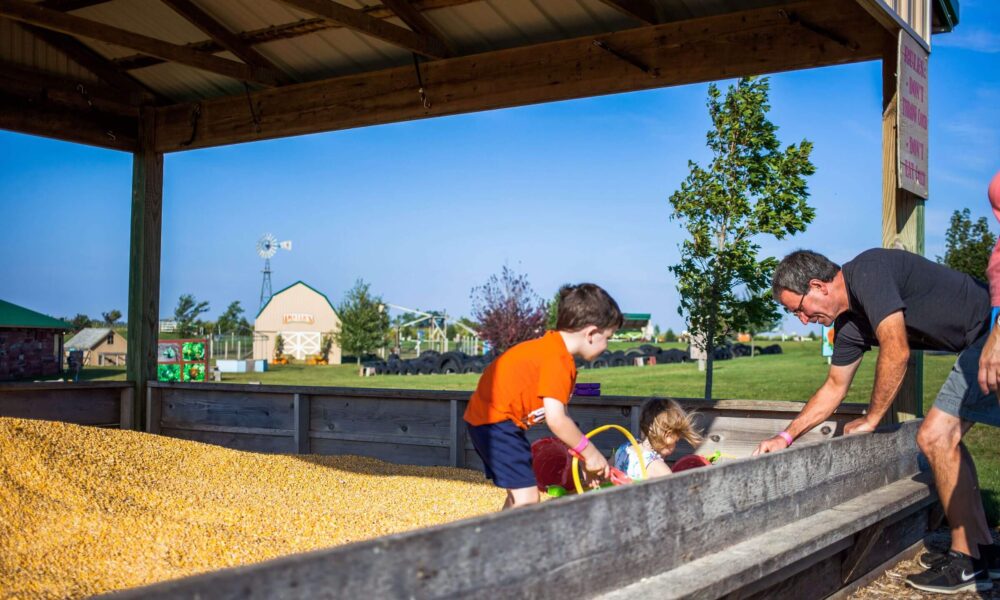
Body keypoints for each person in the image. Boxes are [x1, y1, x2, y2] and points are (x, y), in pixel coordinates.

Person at [753, 248, 1000, 594]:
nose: (803, 321)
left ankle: (967, 560)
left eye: (799, 310)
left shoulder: (868, 272)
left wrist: (872, 418)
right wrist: (785, 436)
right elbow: (834, 387)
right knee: (945, 439)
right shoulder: (850, 325)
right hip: (979, 340)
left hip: (991, 332)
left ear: (817, 286)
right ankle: (982, 552)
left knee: (935, 437)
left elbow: (896, 349)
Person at [464, 283, 623, 509]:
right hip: (495, 423)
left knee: (518, 495)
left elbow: (564, 422)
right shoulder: (558, 360)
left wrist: (584, 461)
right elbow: (556, 420)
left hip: (491, 422)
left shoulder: (553, 350)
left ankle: (499, 541)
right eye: (609, 336)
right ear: (591, 333)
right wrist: (592, 453)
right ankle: (512, 542)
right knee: (527, 499)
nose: (607, 345)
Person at [611, 397, 702, 480]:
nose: (674, 446)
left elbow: (607, 471)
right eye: (675, 441)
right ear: (666, 433)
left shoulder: (623, 449)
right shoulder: (659, 468)